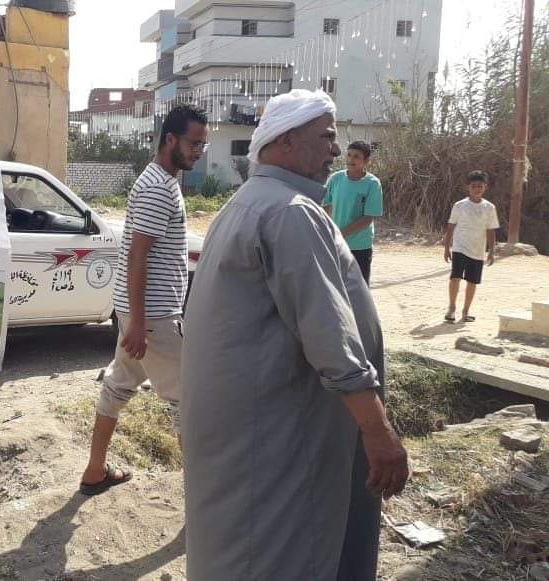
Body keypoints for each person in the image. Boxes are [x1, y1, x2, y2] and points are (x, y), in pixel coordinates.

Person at [181, 89, 409, 580]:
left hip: (258, 431)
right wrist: (378, 431)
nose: (336, 149)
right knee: (281, 553)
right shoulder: (290, 212)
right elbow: (332, 341)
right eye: (326, 136)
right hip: (281, 439)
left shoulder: (251, 202)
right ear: (285, 141)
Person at [78, 103, 207, 496]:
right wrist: (137, 322)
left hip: (141, 314)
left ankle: (95, 470)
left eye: (202, 144)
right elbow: (138, 255)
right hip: (154, 317)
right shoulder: (157, 188)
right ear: (170, 139)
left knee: (119, 385)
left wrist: (133, 319)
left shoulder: (160, 180)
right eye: (193, 143)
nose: (198, 151)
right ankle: (201, 502)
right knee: (189, 402)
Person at [322, 140, 384, 285]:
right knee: (335, 287)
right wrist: (328, 231)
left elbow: (367, 218)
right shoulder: (335, 179)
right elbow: (325, 206)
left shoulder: (372, 184)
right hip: (335, 244)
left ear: (366, 161)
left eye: (356, 156)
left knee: (360, 288)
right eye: (349, 155)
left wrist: (341, 234)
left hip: (360, 246)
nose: (351, 159)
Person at [444, 170, 500, 323]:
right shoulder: (460, 205)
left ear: (485, 187)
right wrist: (447, 248)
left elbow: (491, 230)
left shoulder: (489, 207)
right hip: (460, 247)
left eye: (480, 186)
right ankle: (451, 308)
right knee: (455, 277)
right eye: (473, 186)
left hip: (477, 250)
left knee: (472, 281)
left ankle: (466, 311)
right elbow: (451, 226)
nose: (477, 189)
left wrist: (491, 251)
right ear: (468, 187)